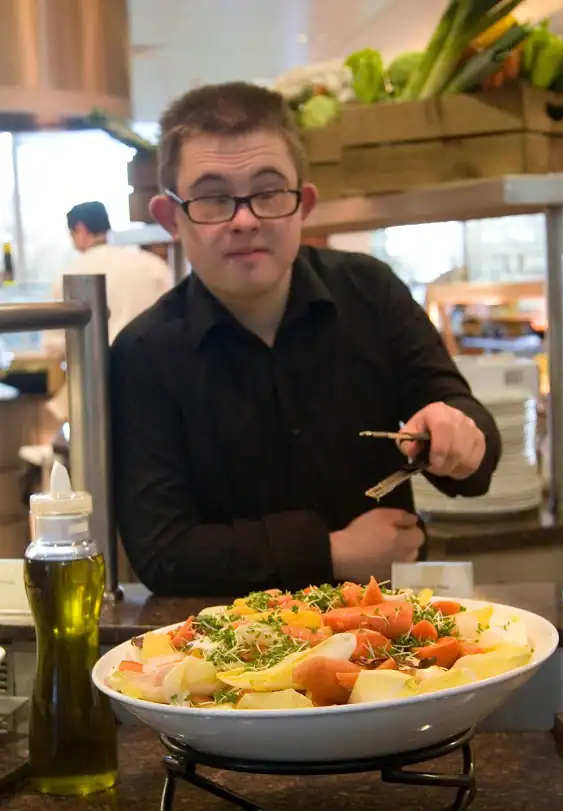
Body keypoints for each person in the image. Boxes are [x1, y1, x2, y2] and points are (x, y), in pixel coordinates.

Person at [111, 82, 502, 597]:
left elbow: (467, 437)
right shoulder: (143, 354)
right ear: (171, 218)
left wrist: (460, 435)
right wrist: (333, 551)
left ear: (304, 204)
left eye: (268, 192)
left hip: (386, 634)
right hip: (224, 652)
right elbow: (164, 553)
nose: (245, 220)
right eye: (213, 199)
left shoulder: (370, 291)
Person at [44, 201, 174, 423]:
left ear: (81, 229)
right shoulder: (153, 265)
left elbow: (54, 344)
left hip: (95, 393)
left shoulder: (71, 274)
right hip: (157, 385)